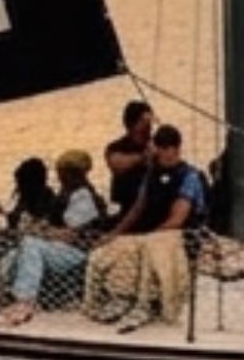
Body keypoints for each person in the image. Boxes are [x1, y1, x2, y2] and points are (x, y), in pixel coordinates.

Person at [83, 125, 208, 328]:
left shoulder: (189, 176)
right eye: (161, 148)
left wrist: (149, 236)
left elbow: (178, 218)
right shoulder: (151, 174)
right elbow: (137, 209)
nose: (165, 154)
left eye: (170, 148)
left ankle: (145, 303)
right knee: (119, 248)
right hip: (151, 233)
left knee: (151, 247)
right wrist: (114, 234)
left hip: (178, 234)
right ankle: (122, 296)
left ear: (177, 149)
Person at [0, 148, 108, 326]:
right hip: (60, 249)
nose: (59, 177)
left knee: (31, 245)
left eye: (62, 173)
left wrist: (39, 231)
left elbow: (68, 236)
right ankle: (4, 298)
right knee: (13, 256)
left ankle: (25, 302)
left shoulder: (84, 197)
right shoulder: (66, 196)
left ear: (73, 174)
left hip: (79, 253)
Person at [105, 101, 155, 216]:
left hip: (151, 207)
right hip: (126, 207)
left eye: (150, 122)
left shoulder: (156, 143)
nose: (149, 126)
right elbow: (116, 164)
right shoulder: (117, 146)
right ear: (132, 124)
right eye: (144, 122)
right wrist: (143, 157)